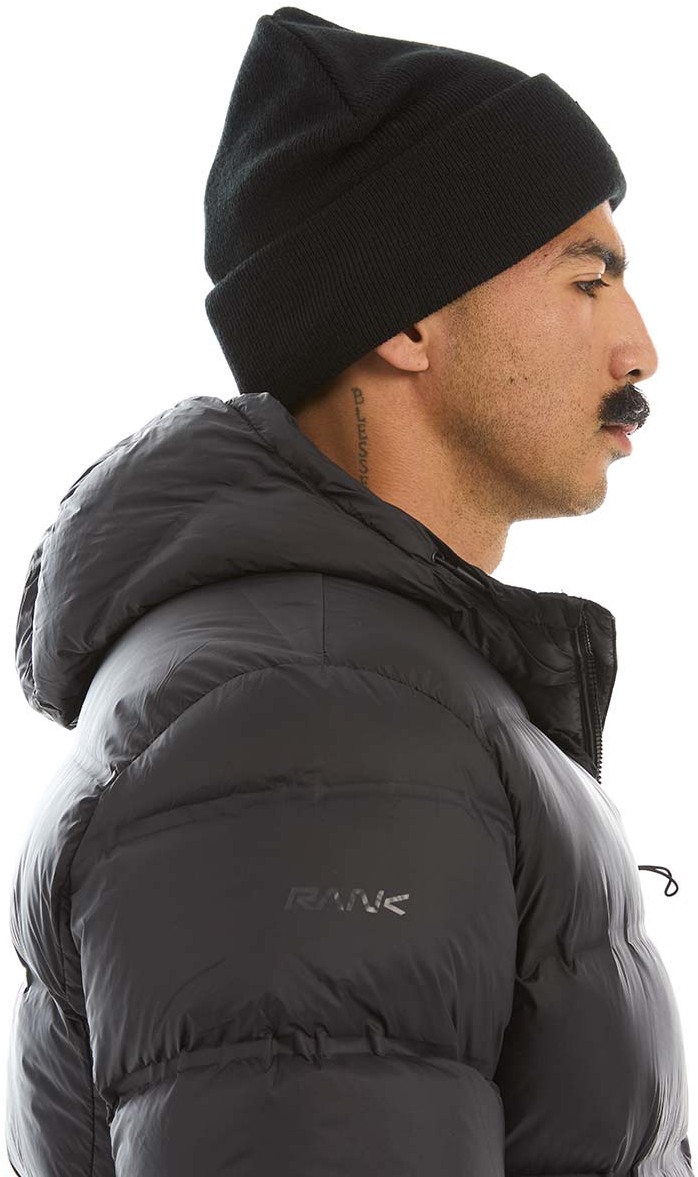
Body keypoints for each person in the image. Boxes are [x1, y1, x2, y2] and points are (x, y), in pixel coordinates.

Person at [5, 7, 692, 1176]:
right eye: (586, 280)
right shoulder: (316, 726)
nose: (639, 352)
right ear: (406, 319)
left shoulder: (355, 684)